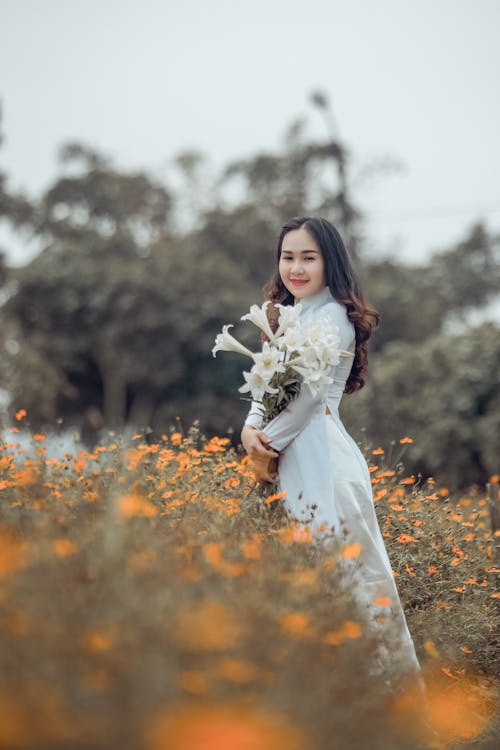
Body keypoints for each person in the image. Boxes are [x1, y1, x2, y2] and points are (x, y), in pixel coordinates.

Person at [241, 216, 421, 684]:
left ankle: (386, 703)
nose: (296, 268)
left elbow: (308, 400)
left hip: (324, 461)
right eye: (288, 257)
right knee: (309, 581)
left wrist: (265, 448)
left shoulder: (333, 318)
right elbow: (266, 387)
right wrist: (249, 428)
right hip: (291, 458)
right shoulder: (286, 315)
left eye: (308, 257)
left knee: (354, 579)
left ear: (330, 263)